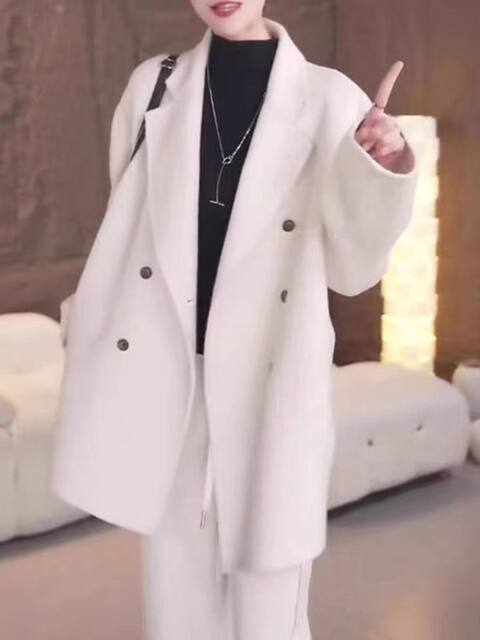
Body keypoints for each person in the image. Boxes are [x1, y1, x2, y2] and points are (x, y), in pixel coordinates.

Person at [51, 1, 418, 638]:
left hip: (272, 379)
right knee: (176, 604)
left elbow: (354, 271)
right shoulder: (153, 85)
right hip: (169, 376)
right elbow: (128, 235)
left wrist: (378, 166)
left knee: (271, 604)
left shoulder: (330, 98)